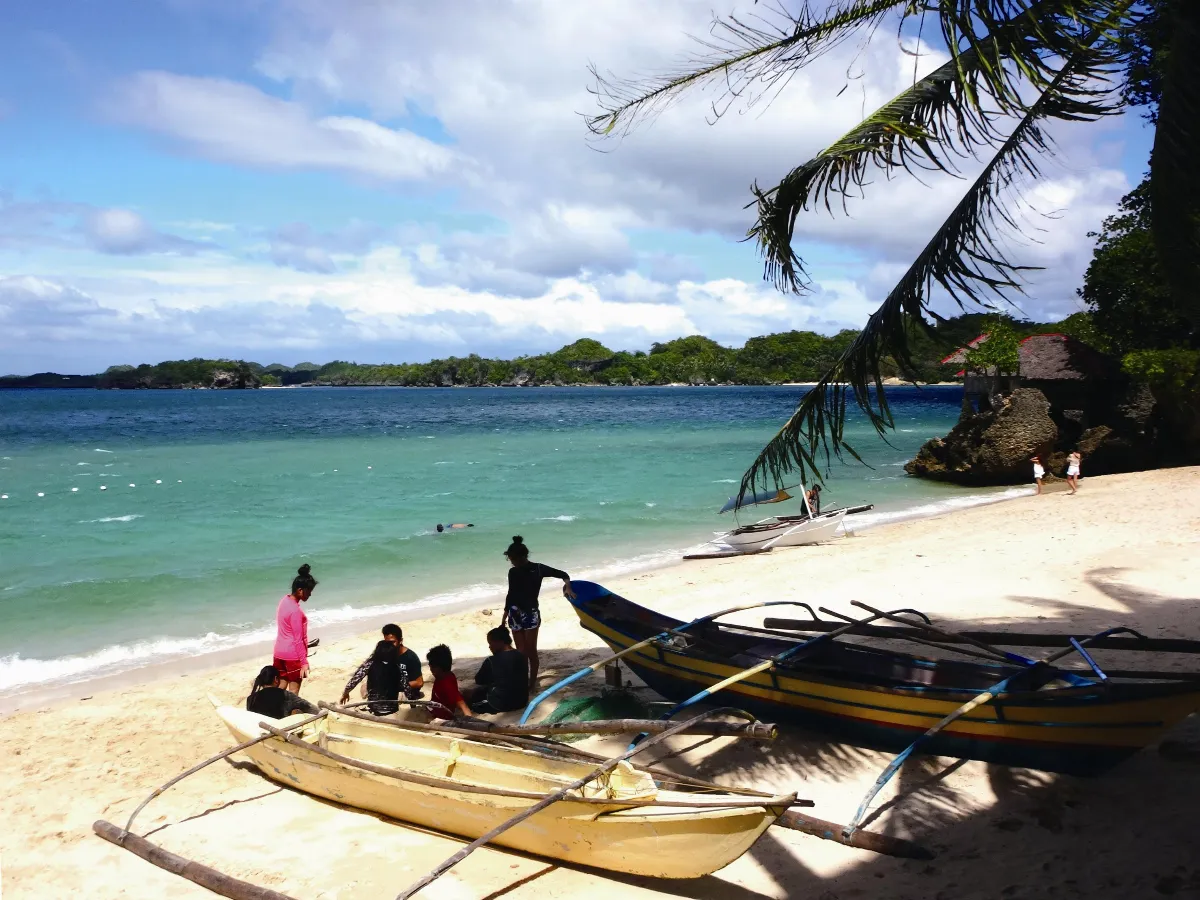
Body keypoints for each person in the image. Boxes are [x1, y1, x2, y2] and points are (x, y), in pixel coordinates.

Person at [502, 535, 574, 684]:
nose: (512, 563)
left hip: (531, 614)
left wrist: (568, 587)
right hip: (514, 613)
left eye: (513, 559)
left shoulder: (539, 569)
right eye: (510, 560)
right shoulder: (512, 572)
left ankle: (532, 683)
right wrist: (504, 617)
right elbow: (511, 594)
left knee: (531, 652)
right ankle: (523, 681)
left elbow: (564, 575)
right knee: (521, 653)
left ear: (522, 557)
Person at [273, 564, 317, 693]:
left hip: (279, 653)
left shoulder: (283, 601)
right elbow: (298, 639)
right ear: (300, 590)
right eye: (309, 591)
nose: (310, 594)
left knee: (280, 687)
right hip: (293, 656)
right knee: (293, 693)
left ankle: (274, 711)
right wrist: (303, 662)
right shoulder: (296, 612)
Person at [468, 626, 530, 714]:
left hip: (501, 704)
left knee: (470, 694)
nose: (489, 647)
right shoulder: (520, 655)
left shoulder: (491, 661)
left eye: (490, 643)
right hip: (522, 701)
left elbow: (479, 680)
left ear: (500, 642)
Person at [340, 640, 410, 716]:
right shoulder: (398, 666)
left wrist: (345, 693)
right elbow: (406, 687)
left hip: (374, 708)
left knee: (365, 685)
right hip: (392, 708)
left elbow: (355, 680)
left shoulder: (370, 664)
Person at [246, 665, 319, 719]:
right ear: (276, 679)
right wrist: (321, 712)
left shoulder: (250, 699)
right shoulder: (284, 694)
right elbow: (307, 706)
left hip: (260, 733)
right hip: (281, 732)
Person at [427, 644, 472, 720]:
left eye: (432, 667)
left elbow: (462, 704)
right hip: (434, 708)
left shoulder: (447, 684)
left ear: (440, 668)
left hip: (442, 717)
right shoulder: (442, 676)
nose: (430, 669)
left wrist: (470, 721)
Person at [381, 623, 424, 696]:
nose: (390, 645)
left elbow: (419, 682)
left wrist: (396, 687)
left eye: (393, 642)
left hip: (406, 691)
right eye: (387, 642)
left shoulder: (410, 657)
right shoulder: (385, 654)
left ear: (400, 640)